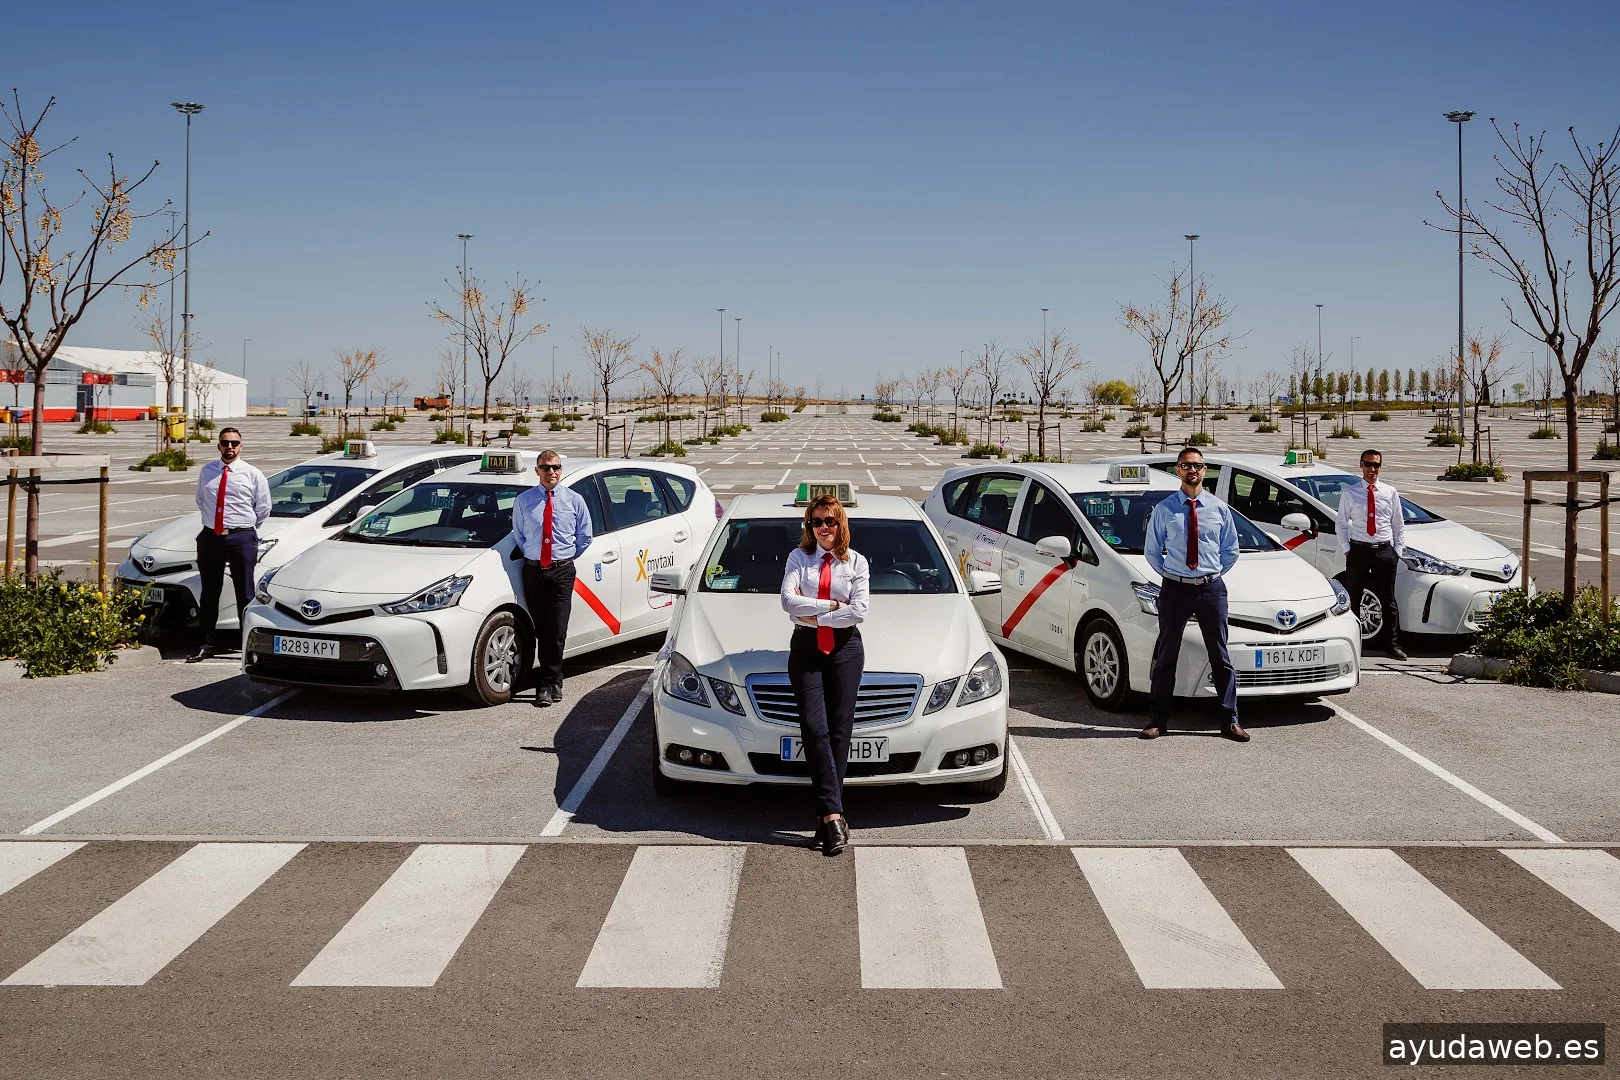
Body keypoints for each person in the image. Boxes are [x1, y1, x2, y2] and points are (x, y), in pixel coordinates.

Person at [780, 494, 869, 856]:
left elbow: (859, 611)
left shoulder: (857, 562)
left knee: (839, 732)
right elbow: (787, 601)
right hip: (806, 649)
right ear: (809, 526)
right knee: (814, 728)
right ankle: (834, 815)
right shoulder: (798, 558)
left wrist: (816, 615)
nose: (823, 528)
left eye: (829, 520)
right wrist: (833, 605)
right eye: (816, 522)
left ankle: (826, 819)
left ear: (840, 523)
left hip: (846, 649)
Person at [1140, 446, 1247, 742]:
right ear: (1178, 470)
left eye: (1197, 465)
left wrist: (1209, 574)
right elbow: (1152, 551)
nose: (1192, 470)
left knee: (1220, 655)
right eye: (1186, 465)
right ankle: (1158, 721)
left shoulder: (1219, 509)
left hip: (1211, 589)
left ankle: (1230, 720)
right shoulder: (1164, 510)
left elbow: (1231, 550)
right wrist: (1173, 574)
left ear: (1204, 470)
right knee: (1166, 655)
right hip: (1175, 589)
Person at [512, 450, 593, 706]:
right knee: (540, 628)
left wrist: (563, 558)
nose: (551, 472)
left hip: (562, 571)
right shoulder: (524, 500)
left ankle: (547, 684)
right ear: (537, 470)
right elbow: (519, 535)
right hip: (533, 570)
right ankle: (551, 680)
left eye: (556, 467)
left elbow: (585, 537)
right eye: (546, 467)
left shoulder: (574, 500)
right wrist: (537, 558)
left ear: (561, 470)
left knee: (557, 629)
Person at [189, 427, 270, 661]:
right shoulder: (208, 471)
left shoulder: (252, 474)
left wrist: (241, 528)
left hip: (240, 538)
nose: (230, 447)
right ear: (219, 446)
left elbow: (263, 508)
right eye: (225, 443)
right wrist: (216, 525)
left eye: (234, 443)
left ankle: (247, 648)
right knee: (209, 593)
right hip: (211, 538)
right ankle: (205, 645)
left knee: (245, 593)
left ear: (241, 446)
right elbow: (201, 500)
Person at [1335, 448, 1408, 661]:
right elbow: (1341, 524)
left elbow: (1398, 524)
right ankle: (1353, 644)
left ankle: (1391, 645)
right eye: (1368, 464)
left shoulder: (1390, 492)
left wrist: (1397, 551)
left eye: (1376, 465)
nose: (1372, 469)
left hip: (1384, 551)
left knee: (1388, 600)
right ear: (1361, 466)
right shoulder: (1350, 493)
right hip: (1359, 551)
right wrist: (1346, 549)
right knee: (1354, 598)